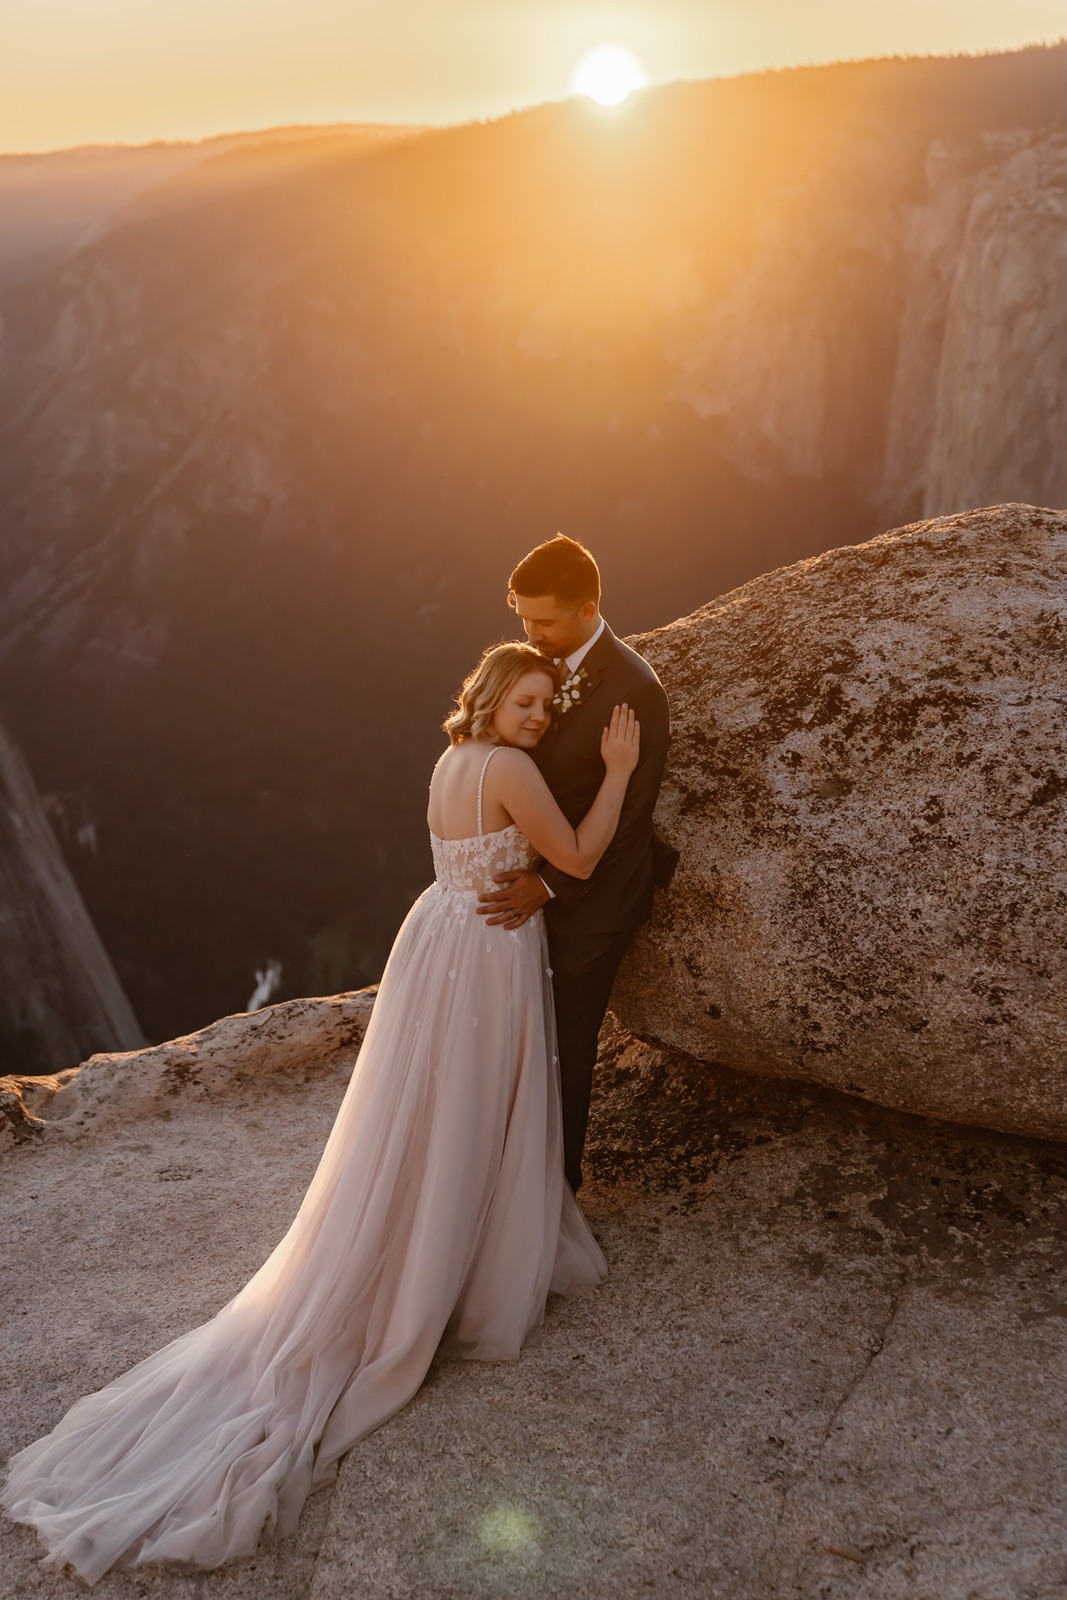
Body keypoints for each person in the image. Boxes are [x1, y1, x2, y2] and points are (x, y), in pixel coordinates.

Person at [1, 643, 640, 1584]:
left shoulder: (451, 760)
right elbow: (579, 854)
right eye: (529, 701)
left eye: (548, 704)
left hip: (436, 933)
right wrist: (618, 773)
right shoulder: (507, 768)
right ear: (496, 700)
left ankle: (433, 1242)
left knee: (425, 1112)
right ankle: (458, 1267)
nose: (540, 716)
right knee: (472, 1108)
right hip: (489, 952)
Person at [478, 535, 675, 1191]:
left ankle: (552, 1198)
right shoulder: (542, 663)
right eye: (522, 618)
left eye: (544, 620)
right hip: (534, 880)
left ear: (588, 608)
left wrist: (547, 884)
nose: (531, 633)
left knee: (559, 1045)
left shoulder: (633, 688)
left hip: (592, 905)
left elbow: (629, 820)